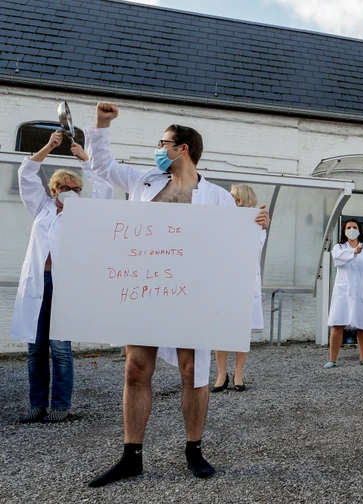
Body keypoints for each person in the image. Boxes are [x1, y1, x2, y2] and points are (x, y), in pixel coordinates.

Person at [86, 102, 270, 486]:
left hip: (190, 296)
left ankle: (194, 449)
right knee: (136, 369)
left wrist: (258, 228)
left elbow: (236, 249)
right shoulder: (145, 182)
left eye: (163, 142)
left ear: (182, 148)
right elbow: (102, 167)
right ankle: (130, 455)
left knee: (192, 371)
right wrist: (102, 125)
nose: (159, 148)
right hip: (144, 291)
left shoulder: (217, 197)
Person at [12, 131, 112, 423]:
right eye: (65, 187)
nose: (71, 191)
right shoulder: (41, 208)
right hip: (37, 285)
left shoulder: (84, 213)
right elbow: (26, 173)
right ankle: (36, 405)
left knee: (60, 348)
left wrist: (86, 159)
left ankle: (60, 405)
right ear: (54, 190)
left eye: (76, 188)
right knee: (36, 347)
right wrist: (50, 146)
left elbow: (105, 188)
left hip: (65, 287)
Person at [212, 184, 267, 392]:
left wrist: (260, 226)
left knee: (242, 330)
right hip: (223, 280)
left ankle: (238, 373)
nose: (230, 201)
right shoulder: (221, 221)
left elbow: (255, 249)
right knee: (221, 330)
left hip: (245, 281)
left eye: (234, 198)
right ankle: (220, 373)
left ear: (242, 200)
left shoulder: (257, 224)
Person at [324, 218, 363, 368]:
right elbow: (338, 259)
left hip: (361, 292)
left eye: (354, 227)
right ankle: (332, 359)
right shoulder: (339, 247)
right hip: (343, 292)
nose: (352, 229)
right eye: (349, 227)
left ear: (359, 230)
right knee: (338, 324)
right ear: (344, 231)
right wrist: (353, 251)